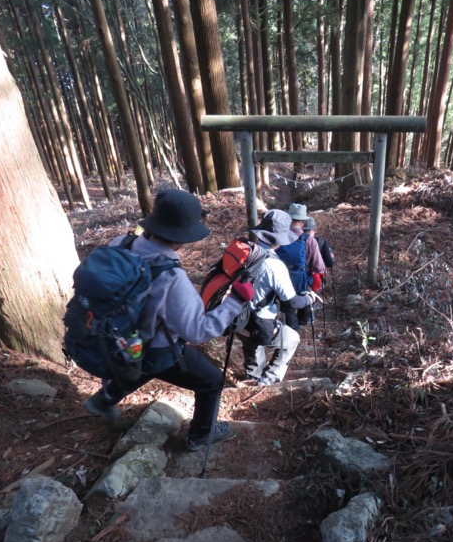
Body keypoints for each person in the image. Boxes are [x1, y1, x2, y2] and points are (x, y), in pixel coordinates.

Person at [82, 189, 254, 452]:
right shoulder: (171, 279)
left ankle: (104, 399)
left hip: (117, 337)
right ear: (181, 238)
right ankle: (201, 435)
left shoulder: (120, 244)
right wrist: (234, 302)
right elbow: (197, 331)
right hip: (155, 348)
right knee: (210, 381)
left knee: (139, 367)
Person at [238, 209, 317, 386]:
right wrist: (310, 299)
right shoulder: (274, 265)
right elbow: (293, 301)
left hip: (236, 318)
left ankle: (252, 377)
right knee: (291, 339)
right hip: (258, 325)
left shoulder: (245, 252)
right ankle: (267, 381)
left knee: (251, 342)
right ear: (281, 239)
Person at [276, 203, 326, 330]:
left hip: (280, 282)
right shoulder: (309, 240)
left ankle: (291, 332)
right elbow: (319, 267)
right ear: (303, 222)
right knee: (306, 296)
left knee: (288, 309)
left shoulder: (278, 236)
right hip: (301, 283)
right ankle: (303, 321)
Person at [302, 216, 334, 294]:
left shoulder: (294, 240)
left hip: (296, 279)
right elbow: (330, 263)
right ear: (314, 229)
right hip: (314, 280)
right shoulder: (321, 242)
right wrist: (331, 257)